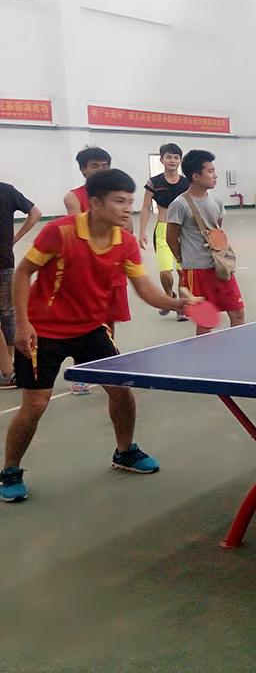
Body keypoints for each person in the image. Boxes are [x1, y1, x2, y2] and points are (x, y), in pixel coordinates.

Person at [0, 169, 196, 503]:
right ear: (94, 202)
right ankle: (10, 471)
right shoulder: (59, 232)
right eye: (119, 201)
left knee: (121, 391)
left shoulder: (126, 243)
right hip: (44, 331)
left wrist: (178, 302)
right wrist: (23, 324)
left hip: (91, 328)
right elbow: (23, 273)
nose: (127, 208)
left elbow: (145, 289)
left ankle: (125, 452)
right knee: (36, 405)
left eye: (130, 201)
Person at [65, 146, 130, 395]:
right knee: (85, 323)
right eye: (95, 166)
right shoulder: (74, 197)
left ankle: (108, 362)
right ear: (83, 170)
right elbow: (79, 231)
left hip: (113, 267)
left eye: (104, 166)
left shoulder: (118, 196)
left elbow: (127, 229)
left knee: (109, 319)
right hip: (85, 270)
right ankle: (81, 372)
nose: (101, 170)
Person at [166, 150, 245, 335]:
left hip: (220, 267)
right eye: (210, 171)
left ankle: (240, 347)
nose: (215, 175)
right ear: (196, 176)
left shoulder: (216, 200)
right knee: (205, 320)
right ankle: (204, 352)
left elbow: (217, 230)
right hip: (197, 270)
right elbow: (171, 237)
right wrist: (182, 259)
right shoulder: (179, 204)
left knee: (238, 312)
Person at [138, 143, 189, 321]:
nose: (172, 160)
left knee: (183, 271)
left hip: (184, 230)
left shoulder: (186, 183)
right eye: (169, 157)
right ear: (161, 160)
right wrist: (142, 232)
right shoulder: (153, 182)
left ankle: (181, 306)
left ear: (180, 160)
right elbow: (145, 208)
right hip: (163, 229)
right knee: (165, 272)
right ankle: (169, 297)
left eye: (176, 157)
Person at [0, 182, 41, 387]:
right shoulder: (7, 190)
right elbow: (35, 213)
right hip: (5, 260)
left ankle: (7, 371)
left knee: (7, 315)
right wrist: (14, 239)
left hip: (5, 262)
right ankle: (8, 366)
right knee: (7, 314)